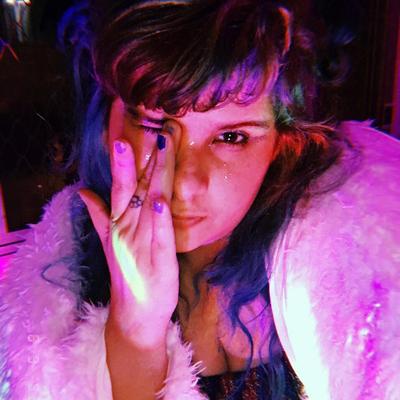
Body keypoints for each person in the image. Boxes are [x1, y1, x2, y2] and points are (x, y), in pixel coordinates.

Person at [0, 1, 399, 399]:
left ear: (281, 142)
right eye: (155, 125)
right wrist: (136, 329)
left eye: (231, 137)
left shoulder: (336, 272)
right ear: (106, 121)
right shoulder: (58, 281)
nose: (186, 183)